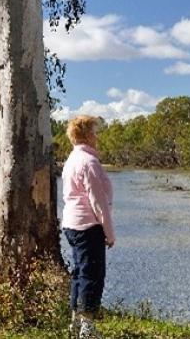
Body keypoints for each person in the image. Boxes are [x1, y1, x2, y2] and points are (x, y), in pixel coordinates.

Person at [61, 115, 115, 339]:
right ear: (86, 135)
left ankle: (75, 323)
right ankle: (87, 329)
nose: (97, 135)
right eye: (94, 131)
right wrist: (109, 233)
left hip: (72, 225)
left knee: (79, 272)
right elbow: (98, 201)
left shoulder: (73, 158)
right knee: (92, 274)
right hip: (87, 225)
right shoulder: (89, 162)